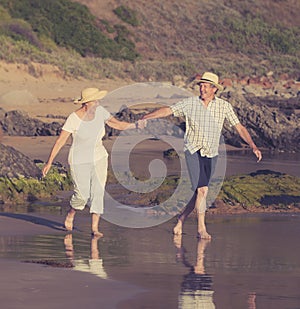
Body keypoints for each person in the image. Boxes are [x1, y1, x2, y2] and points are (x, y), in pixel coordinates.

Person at [142, 72, 262, 239]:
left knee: (199, 192)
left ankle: (181, 219)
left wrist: (253, 145)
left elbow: (239, 127)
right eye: (201, 85)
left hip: (212, 153)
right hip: (192, 150)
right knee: (203, 190)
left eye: (206, 85)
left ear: (214, 89)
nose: (202, 88)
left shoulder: (224, 106)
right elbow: (168, 110)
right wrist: (147, 116)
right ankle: (201, 229)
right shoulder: (190, 103)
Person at [42, 87, 145, 237]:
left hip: (99, 157)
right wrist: (49, 162)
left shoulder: (101, 112)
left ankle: (95, 228)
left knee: (98, 192)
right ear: (86, 103)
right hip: (79, 160)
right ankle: (71, 213)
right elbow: (60, 141)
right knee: (82, 195)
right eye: (95, 100)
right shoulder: (73, 118)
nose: (98, 102)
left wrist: (135, 126)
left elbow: (116, 124)